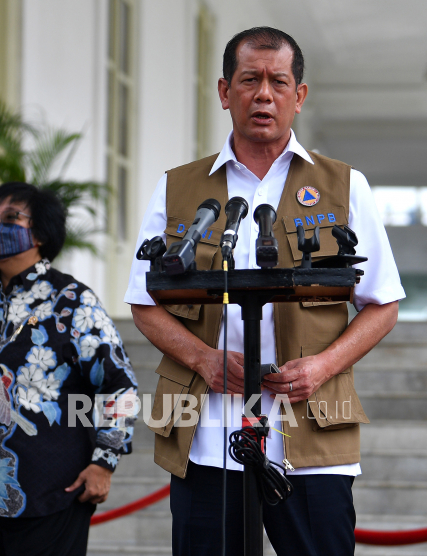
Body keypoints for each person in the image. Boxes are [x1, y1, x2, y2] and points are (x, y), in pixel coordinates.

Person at [124, 27, 404, 555]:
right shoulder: (177, 188)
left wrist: (321, 368)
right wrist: (204, 359)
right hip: (206, 434)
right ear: (225, 92)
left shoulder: (344, 186)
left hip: (311, 430)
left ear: (299, 96)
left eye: (279, 81)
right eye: (249, 80)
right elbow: (144, 301)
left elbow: (382, 304)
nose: (264, 94)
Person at [0, 182, 138, 556]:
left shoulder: (72, 302)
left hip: (47, 492)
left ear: (39, 232)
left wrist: (104, 463)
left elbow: (120, 387)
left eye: (10, 218)